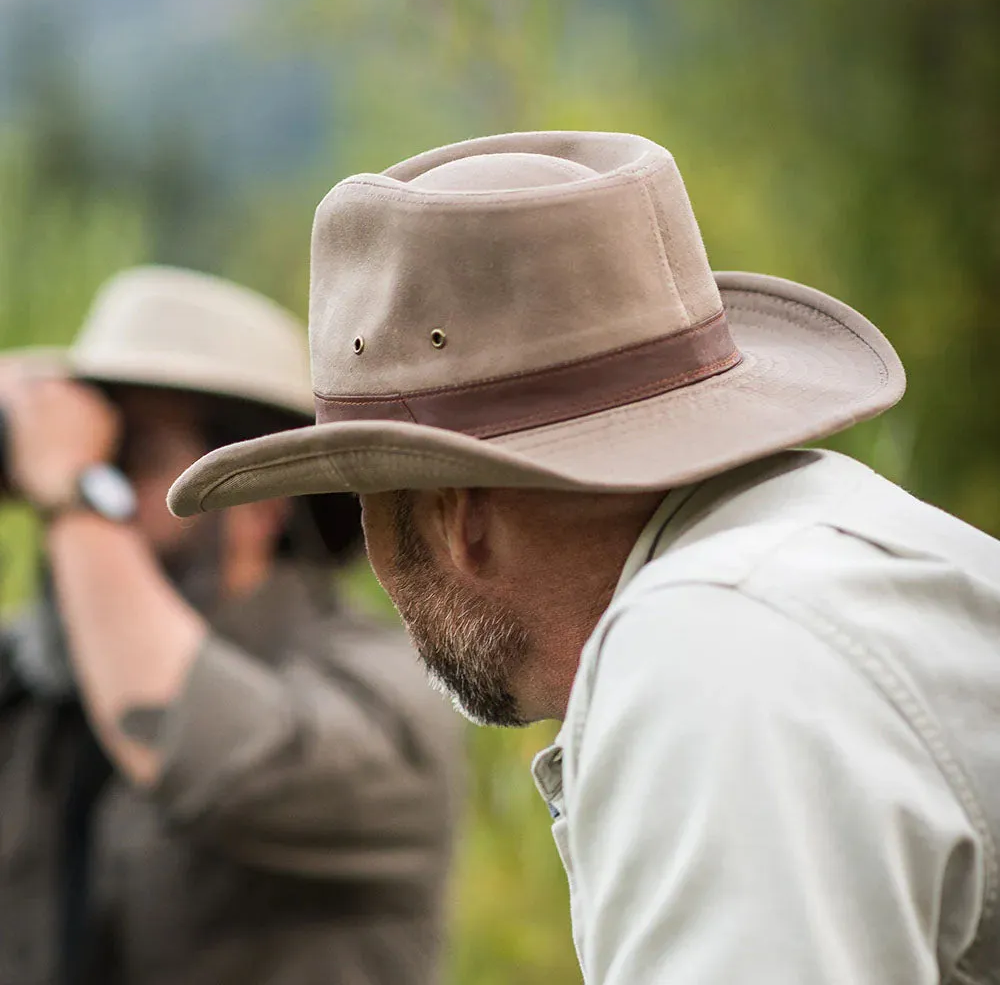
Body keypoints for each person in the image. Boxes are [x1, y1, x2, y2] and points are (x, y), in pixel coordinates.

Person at [169, 131, 1000, 984]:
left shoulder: (705, 650)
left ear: (460, 518)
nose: (383, 581)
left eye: (371, 501)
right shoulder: (831, 552)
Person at [0, 266, 461, 985]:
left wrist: (75, 493)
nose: (99, 480)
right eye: (94, 450)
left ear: (258, 499)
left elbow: (196, 746)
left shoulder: (384, 696)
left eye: (133, 458)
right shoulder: (37, 679)